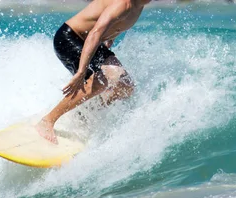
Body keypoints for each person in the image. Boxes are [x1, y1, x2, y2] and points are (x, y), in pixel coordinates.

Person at [36, 0, 152, 144]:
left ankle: (84, 115)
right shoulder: (123, 4)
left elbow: (116, 24)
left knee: (125, 85)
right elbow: (95, 32)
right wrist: (81, 71)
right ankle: (47, 120)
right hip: (69, 39)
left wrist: (109, 40)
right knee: (104, 79)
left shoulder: (138, 6)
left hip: (92, 43)